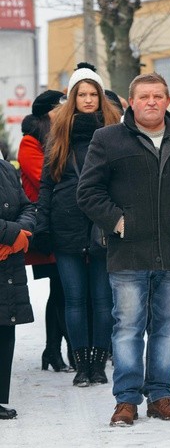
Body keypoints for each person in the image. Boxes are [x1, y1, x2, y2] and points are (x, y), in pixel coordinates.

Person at [77, 72, 170, 427]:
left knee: (168, 327)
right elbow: (87, 192)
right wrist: (118, 222)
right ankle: (127, 400)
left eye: (158, 96)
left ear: (168, 101)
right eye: (144, 96)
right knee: (128, 327)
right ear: (131, 102)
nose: (151, 102)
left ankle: (161, 396)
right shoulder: (108, 139)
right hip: (128, 251)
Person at [35, 63, 122, 387]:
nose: (88, 100)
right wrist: (42, 223)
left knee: (102, 299)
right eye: (81, 94)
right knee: (73, 298)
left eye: (93, 94)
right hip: (65, 222)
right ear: (73, 98)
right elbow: (46, 184)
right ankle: (81, 364)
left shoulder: (115, 131)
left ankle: (98, 364)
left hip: (102, 223)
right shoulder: (58, 133)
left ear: (101, 98)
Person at [18, 90, 73, 373]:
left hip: (62, 223)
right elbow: (47, 178)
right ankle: (58, 350)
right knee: (60, 289)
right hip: (46, 227)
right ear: (47, 112)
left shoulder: (58, 138)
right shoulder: (30, 142)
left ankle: (54, 350)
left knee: (63, 290)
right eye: (59, 108)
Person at [0, 151, 36, 420]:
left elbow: (27, 206)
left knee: (3, 329)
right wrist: (9, 234)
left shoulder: (5, 168)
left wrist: (20, 233)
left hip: (7, 262)